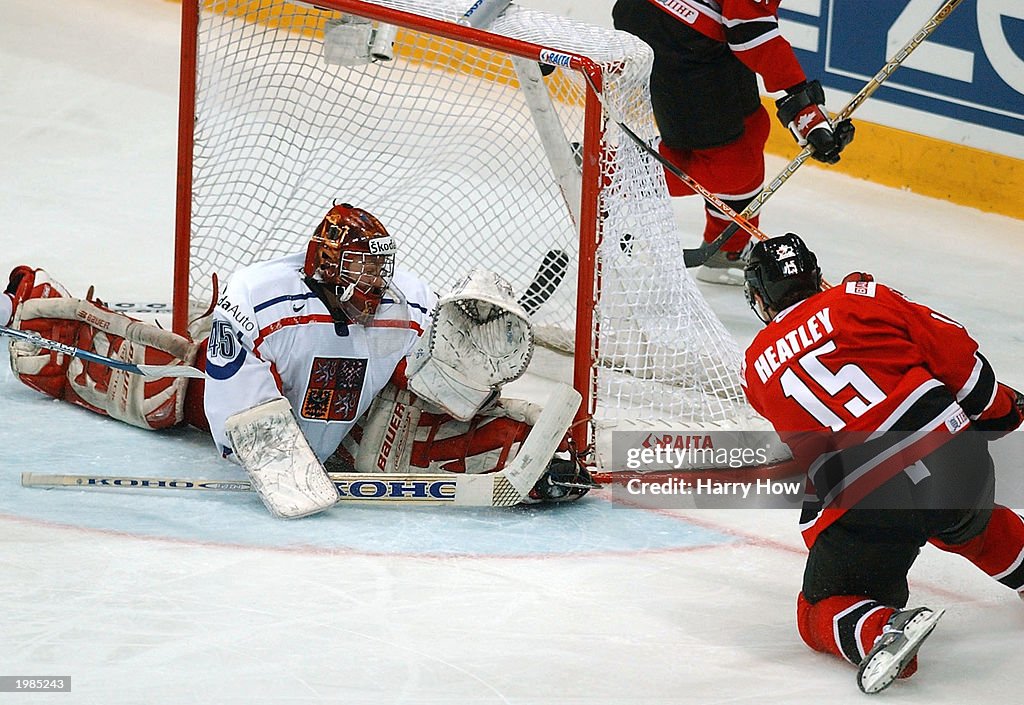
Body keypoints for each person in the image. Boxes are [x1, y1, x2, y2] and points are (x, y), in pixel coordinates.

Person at [2, 203, 594, 517]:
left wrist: (467, 368)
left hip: (346, 411)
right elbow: (242, 424)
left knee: (416, 436)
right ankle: (33, 306)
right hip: (233, 392)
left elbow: (434, 386)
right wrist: (286, 466)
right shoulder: (260, 297)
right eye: (364, 268)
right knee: (159, 387)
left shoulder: (408, 300)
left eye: (381, 267)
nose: (377, 281)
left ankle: (530, 455)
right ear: (328, 264)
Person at [740, 233, 1024, 693]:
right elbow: (958, 360)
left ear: (758, 297)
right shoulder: (864, 296)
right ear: (814, 273)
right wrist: (1002, 409)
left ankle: (883, 629)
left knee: (820, 608)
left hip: (870, 502)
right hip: (954, 463)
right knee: (971, 519)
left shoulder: (754, 367)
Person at [612, 0, 855, 284]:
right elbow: (748, 29)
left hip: (699, 24)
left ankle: (728, 249)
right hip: (672, 27)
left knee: (750, 129)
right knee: (731, 165)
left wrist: (802, 107)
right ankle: (608, 172)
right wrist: (802, 106)